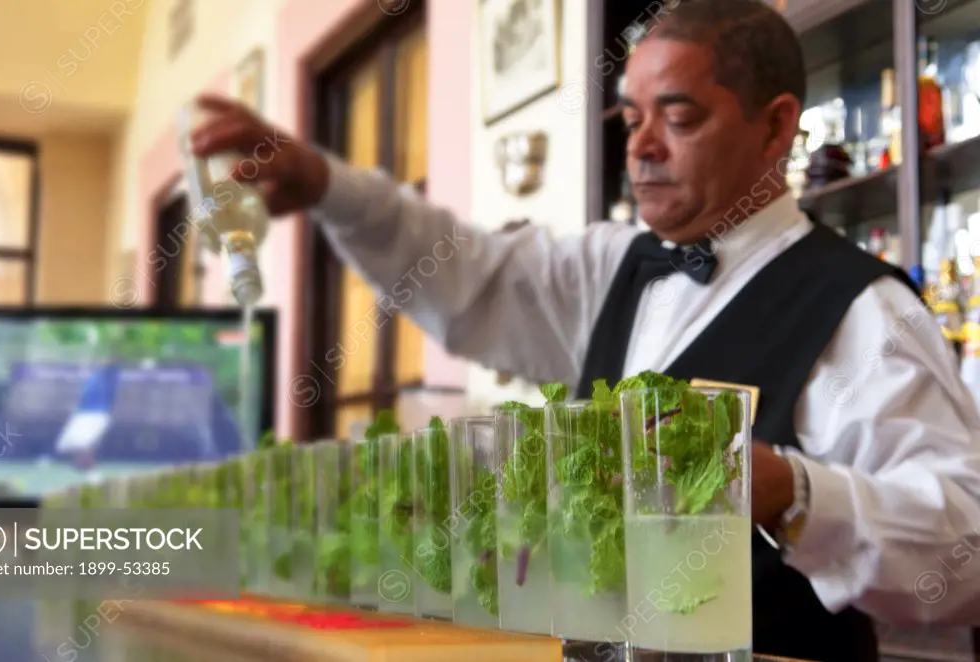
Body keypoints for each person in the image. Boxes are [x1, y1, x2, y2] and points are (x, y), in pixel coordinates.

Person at [190, 1, 980, 659]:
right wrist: (328, 186)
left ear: (776, 130)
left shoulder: (865, 309)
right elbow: (461, 274)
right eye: (633, 116)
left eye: (680, 117)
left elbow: (965, 547)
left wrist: (794, 491)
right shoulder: (611, 268)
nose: (639, 145)